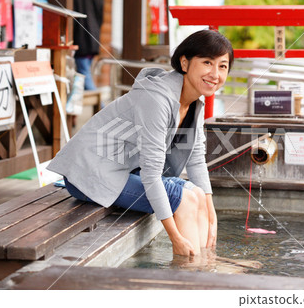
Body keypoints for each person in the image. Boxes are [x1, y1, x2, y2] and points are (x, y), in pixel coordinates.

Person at [47, 30, 234, 256]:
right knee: (183, 199)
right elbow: (151, 174)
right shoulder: (158, 99)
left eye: (222, 66)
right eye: (207, 62)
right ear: (185, 63)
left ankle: (205, 264)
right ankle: (191, 270)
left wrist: (211, 212)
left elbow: (195, 160)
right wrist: (175, 238)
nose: (215, 73)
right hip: (89, 173)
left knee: (196, 194)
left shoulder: (193, 101)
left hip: (122, 170)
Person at [73, 0, 104, 91]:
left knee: (84, 75)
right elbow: (100, 18)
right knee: (85, 74)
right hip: (93, 38)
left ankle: (102, 106)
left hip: (81, 39)